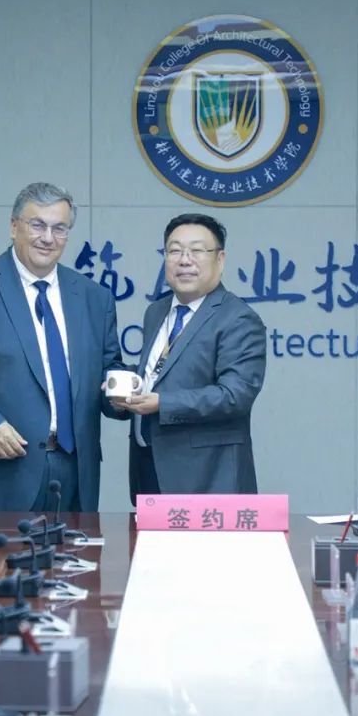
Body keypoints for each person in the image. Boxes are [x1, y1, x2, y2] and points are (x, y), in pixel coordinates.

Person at [0, 182, 125, 512]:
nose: (48, 238)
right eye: (37, 225)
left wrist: (123, 393)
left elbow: (108, 369)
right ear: (14, 226)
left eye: (59, 228)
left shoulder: (93, 297)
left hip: (72, 474)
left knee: (72, 550)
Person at [112, 213, 267, 502]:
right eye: (174, 251)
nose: (184, 260)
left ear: (220, 259)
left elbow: (235, 395)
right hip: (150, 468)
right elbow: (161, 372)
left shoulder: (238, 318)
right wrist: (128, 383)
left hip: (207, 478)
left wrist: (163, 403)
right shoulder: (156, 311)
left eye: (196, 251)